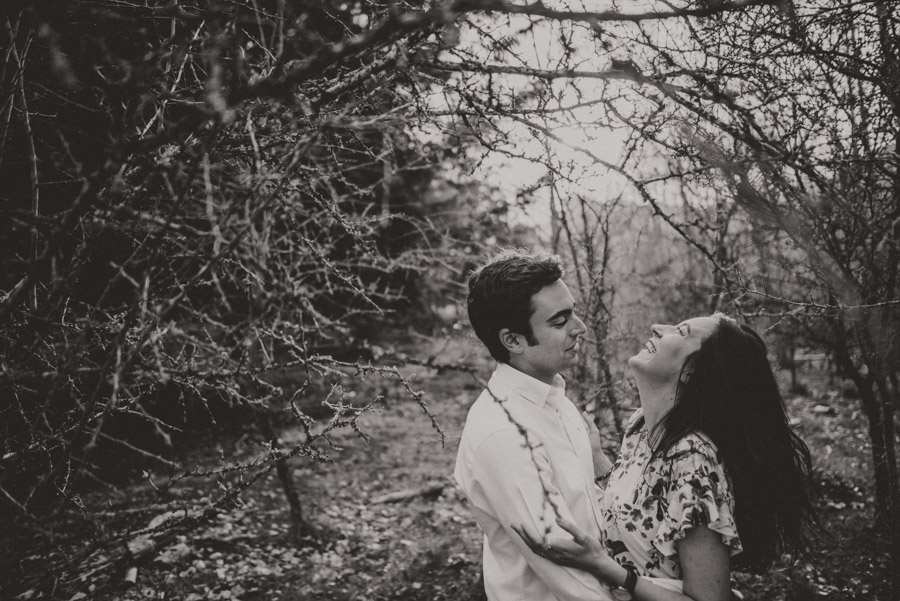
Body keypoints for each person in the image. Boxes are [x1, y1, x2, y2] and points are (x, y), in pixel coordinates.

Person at [513, 314, 818, 601]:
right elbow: (641, 513)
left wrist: (604, 567)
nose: (658, 327)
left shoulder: (692, 460)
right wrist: (598, 459)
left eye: (680, 331)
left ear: (691, 372)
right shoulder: (641, 427)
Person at [454, 249, 616, 601]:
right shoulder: (505, 435)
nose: (580, 328)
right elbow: (568, 576)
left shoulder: (553, 396)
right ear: (513, 340)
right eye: (560, 321)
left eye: (573, 312)